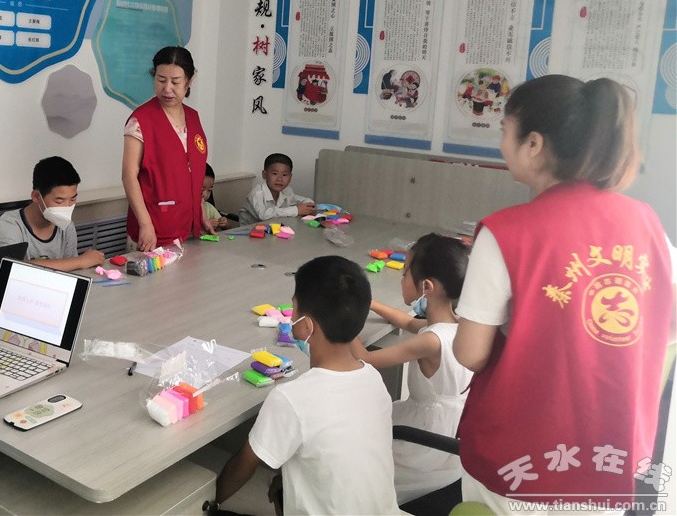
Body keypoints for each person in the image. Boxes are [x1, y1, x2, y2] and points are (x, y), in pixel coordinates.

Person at [451, 75, 675, 511]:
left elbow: (471, 354)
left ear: (533, 144)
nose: (501, 143)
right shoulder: (648, 222)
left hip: (520, 461)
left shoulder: (506, 232)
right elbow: (667, 327)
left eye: (504, 130)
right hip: (610, 459)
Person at [213, 256, 399, 515]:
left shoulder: (290, 398)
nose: (291, 317)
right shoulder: (372, 378)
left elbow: (243, 467)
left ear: (307, 326)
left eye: (294, 308)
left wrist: (213, 501)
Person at [350, 233, 473, 505]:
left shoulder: (429, 341)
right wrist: (367, 301)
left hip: (425, 444)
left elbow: (365, 358)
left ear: (426, 287)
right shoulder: (458, 326)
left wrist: (342, 316)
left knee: (356, 451)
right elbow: (407, 322)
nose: (401, 278)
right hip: (451, 435)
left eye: (405, 272)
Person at [122, 46, 215, 251]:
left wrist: (200, 213)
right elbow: (129, 177)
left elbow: (193, 172)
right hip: (153, 230)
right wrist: (145, 224)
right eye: (161, 80)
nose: (167, 89)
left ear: (189, 81)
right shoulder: (141, 121)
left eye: (175, 82)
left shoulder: (193, 117)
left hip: (189, 228)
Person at [0, 156, 104, 271]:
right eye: (59, 201)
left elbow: (71, 268)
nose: (67, 206)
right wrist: (80, 261)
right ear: (36, 196)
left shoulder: (66, 226)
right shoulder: (9, 224)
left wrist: (77, 263)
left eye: (73, 199)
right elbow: (12, 269)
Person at [238, 153, 316, 225]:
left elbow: (301, 200)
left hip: (273, 230)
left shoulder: (287, 191)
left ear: (290, 177)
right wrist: (296, 210)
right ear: (264, 174)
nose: (279, 179)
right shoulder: (257, 193)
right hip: (249, 232)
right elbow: (263, 215)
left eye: (284, 175)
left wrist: (310, 206)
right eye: (274, 174)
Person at [202, 163, 229, 231]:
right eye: (201, 190)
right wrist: (205, 225)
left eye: (209, 190)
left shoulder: (208, 207)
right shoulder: (183, 210)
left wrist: (224, 224)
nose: (205, 194)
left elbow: (227, 228)